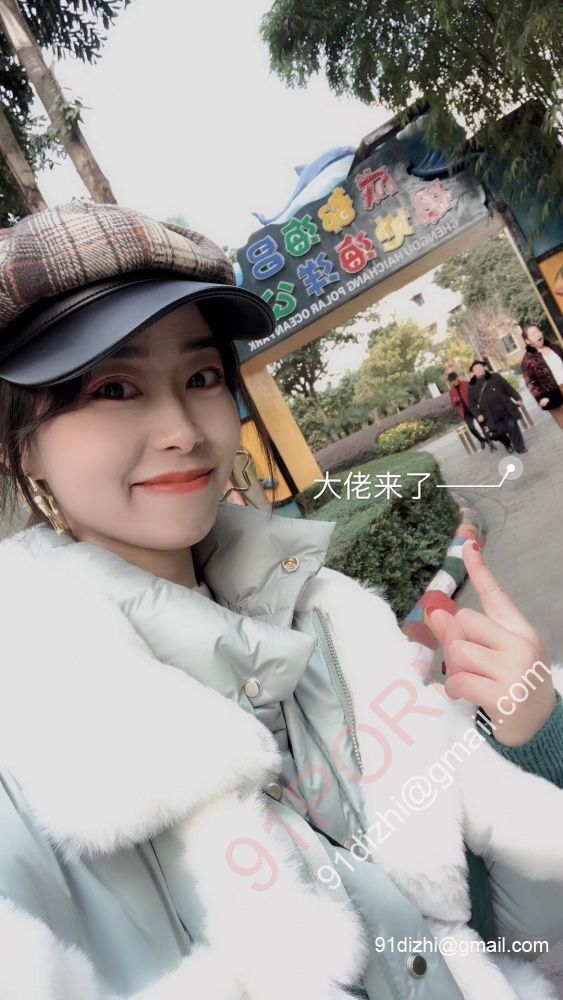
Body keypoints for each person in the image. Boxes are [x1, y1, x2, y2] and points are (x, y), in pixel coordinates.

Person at [0, 203, 562, 1000]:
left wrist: (531, 736)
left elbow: (503, 938)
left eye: (201, 377)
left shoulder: (332, 625)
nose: (181, 428)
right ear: (20, 446)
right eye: (114, 387)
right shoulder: (32, 752)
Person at [468, 360, 528, 454]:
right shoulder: (472, 387)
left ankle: (520, 447)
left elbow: (508, 388)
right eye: (475, 369)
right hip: (490, 416)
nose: (478, 369)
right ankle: (507, 443)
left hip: (505, 409)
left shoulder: (495, 376)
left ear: (484, 367)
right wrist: (478, 415)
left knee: (512, 427)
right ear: (473, 372)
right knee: (498, 434)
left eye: (480, 367)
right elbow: (471, 404)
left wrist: (518, 398)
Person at [520, 321, 563, 430]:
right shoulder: (528, 360)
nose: (538, 334)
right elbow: (530, 383)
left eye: (538, 331)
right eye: (533, 334)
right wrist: (540, 397)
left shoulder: (555, 347)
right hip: (553, 395)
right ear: (528, 341)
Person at [447, 371, 497, 452]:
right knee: (471, 428)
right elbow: (453, 404)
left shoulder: (466, 384)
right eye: (452, 381)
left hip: (474, 409)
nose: (454, 382)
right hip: (465, 412)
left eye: (454, 380)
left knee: (482, 425)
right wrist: (455, 401)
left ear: (457, 378)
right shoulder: (451, 391)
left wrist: (478, 404)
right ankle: (481, 440)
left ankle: (489, 442)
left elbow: (476, 394)